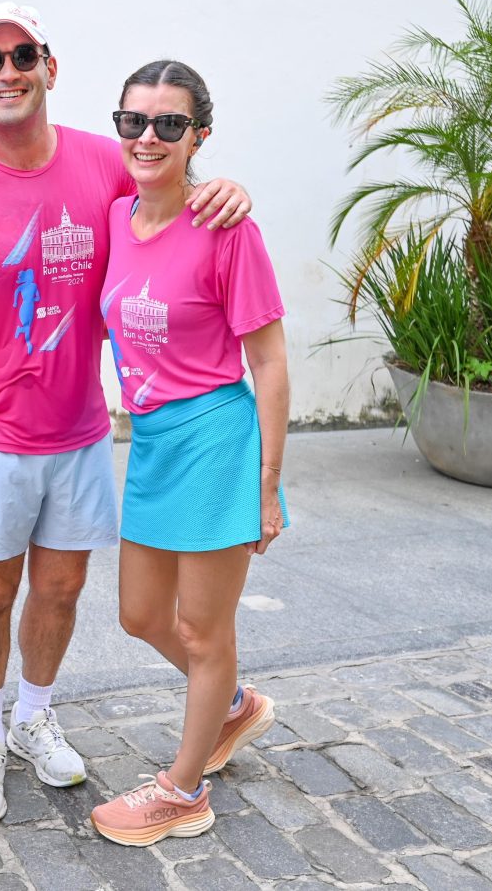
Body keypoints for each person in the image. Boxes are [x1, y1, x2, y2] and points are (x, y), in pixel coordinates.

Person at [0, 3, 253, 822]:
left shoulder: (106, 163)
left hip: (81, 432)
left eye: (23, 54)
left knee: (61, 588)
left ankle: (33, 715)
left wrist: (223, 187)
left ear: (49, 69)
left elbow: (174, 184)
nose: (8, 71)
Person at [88, 60, 288, 846]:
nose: (149, 136)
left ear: (198, 134)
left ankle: (182, 790)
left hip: (215, 438)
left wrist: (267, 483)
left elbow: (268, 361)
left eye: (170, 124)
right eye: (134, 121)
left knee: (205, 632)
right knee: (140, 615)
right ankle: (233, 706)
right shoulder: (113, 219)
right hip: (152, 440)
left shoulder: (226, 226)